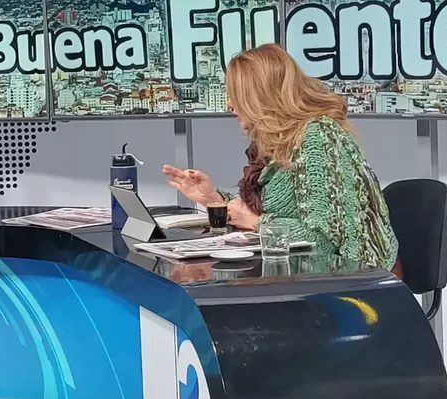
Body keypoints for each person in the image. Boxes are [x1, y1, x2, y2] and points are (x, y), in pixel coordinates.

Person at [162, 43, 398, 269]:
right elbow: (271, 212)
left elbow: (323, 241)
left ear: (261, 97)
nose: (230, 104)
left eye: (237, 95)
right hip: (300, 271)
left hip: (352, 276)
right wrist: (212, 199)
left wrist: (257, 223)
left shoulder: (318, 137)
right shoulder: (280, 142)